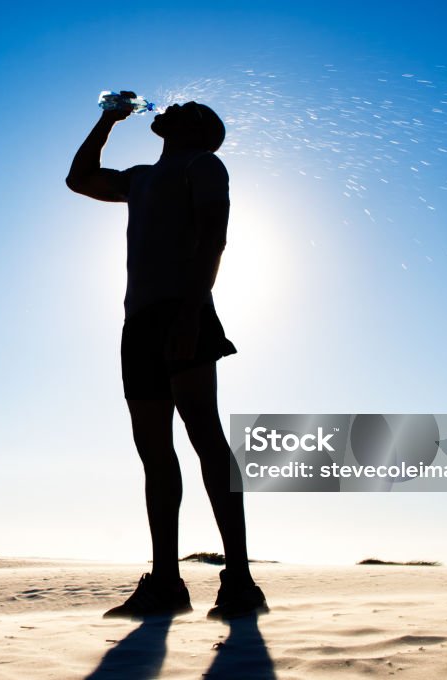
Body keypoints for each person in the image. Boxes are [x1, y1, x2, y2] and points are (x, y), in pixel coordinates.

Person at [65, 93, 268, 620]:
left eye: (188, 107)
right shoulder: (138, 178)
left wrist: (191, 313)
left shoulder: (205, 164)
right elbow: (79, 179)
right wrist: (106, 118)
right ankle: (166, 583)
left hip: (186, 310)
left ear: (200, 130)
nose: (174, 106)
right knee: (154, 453)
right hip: (140, 323)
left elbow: (214, 238)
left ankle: (240, 581)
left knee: (205, 438)